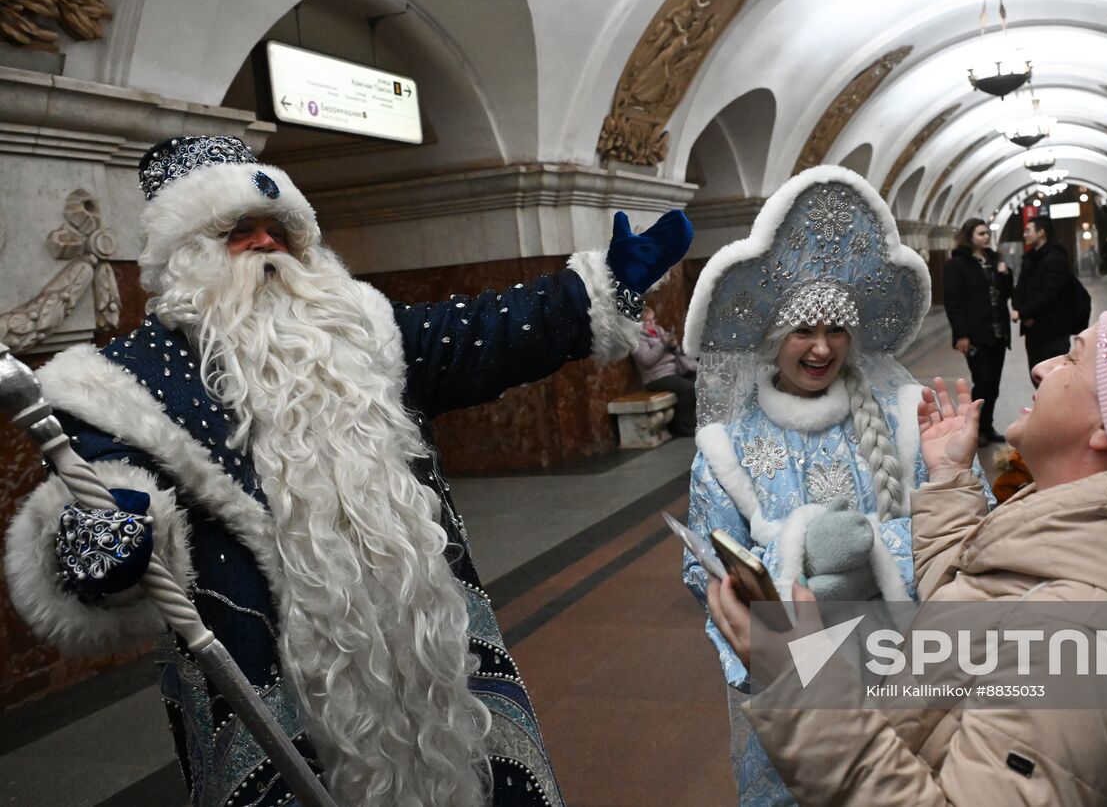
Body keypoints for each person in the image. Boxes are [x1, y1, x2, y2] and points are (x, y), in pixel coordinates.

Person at [4, 136, 692, 807]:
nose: (268, 245)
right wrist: (102, 531)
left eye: (280, 230)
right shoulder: (118, 384)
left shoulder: (363, 330)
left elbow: (486, 329)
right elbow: (94, 493)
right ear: (186, 255)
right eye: (240, 231)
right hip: (268, 674)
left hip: (436, 655)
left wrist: (591, 291)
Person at [708, 304, 1107, 805]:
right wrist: (949, 483)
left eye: (1072, 358)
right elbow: (988, 617)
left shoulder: (1079, 651)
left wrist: (801, 687)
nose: (1040, 366)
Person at [680, 166, 992, 806]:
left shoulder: (909, 417)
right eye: (804, 330)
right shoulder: (726, 448)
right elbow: (703, 568)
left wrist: (871, 552)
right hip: (799, 670)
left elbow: (976, 529)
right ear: (773, 338)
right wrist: (801, 562)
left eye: (837, 330)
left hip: (913, 665)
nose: (822, 348)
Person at [943, 217, 1013, 446]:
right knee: (982, 382)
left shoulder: (994, 260)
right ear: (970, 236)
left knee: (994, 385)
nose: (986, 237)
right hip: (975, 335)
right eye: (981, 233)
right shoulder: (957, 264)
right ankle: (973, 429)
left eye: (987, 234)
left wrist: (1004, 274)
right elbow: (953, 302)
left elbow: (1007, 293)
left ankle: (987, 427)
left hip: (998, 332)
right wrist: (961, 334)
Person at [1012, 214, 1076, 378]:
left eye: (1028, 230)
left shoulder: (1056, 258)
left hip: (1053, 330)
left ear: (1041, 233)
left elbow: (1050, 294)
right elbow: (1019, 290)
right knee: (1037, 375)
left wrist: (1024, 313)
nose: (1024, 234)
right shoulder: (1029, 259)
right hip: (1033, 330)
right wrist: (1022, 312)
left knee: (1055, 378)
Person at [632, 304, 697, 436]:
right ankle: (680, 426)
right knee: (687, 388)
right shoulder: (637, 339)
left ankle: (690, 420)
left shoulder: (659, 330)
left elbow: (676, 353)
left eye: (653, 319)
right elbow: (646, 360)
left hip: (673, 371)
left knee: (697, 381)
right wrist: (662, 343)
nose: (653, 323)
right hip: (656, 377)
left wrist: (673, 345)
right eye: (648, 321)